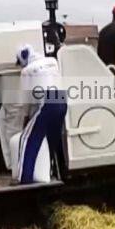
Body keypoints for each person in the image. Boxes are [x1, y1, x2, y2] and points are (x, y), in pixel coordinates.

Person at [10, 45, 67, 185]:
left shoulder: (27, 71)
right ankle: (50, 171)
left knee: (26, 139)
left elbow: (27, 100)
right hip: (62, 101)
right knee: (51, 140)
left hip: (48, 104)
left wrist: (26, 118)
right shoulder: (52, 61)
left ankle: (24, 178)